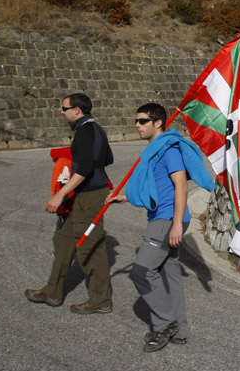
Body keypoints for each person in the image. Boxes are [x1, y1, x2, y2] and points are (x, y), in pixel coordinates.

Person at [108, 103, 215, 352]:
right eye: (136, 121)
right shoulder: (157, 149)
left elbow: (181, 186)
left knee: (142, 271)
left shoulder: (168, 150)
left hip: (167, 219)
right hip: (166, 217)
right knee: (169, 273)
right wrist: (125, 197)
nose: (137, 125)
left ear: (158, 123)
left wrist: (177, 224)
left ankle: (165, 324)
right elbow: (159, 186)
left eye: (143, 121)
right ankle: (181, 330)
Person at [26, 93, 114, 313]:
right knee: (63, 239)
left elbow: (84, 169)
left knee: (90, 248)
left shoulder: (85, 131)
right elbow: (108, 159)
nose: (61, 112)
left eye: (64, 108)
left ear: (77, 110)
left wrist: (60, 195)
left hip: (90, 196)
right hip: (84, 194)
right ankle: (53, 291)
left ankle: (101, 300)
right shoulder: (95, 129)